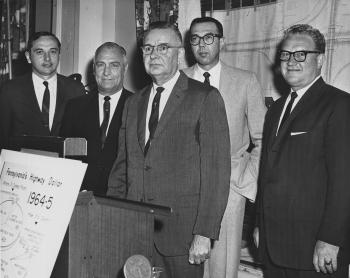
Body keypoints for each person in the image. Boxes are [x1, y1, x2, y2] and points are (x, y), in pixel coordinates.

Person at [107, 21, 231, 278]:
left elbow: (216, 175)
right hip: (135, 231)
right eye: (148, 48)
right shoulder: (133, 103)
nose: (154, 54)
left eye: (163, 47)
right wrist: (112, 219)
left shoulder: (205, 98)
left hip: (182, 235)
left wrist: (204, 233)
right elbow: (122, 167)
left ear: (181, 53)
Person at [254, 24, 350, 278]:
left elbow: (344, 182)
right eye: (285, 55)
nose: (291, 61)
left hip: (316, 251)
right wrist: (258, 224)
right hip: (275, 245)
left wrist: (331, 239)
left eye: (301, 54)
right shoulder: (275, 109)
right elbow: (267, 172)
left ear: (319, 59)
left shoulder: (339, 105)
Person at [183, 17, 266, 278]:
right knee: (184, 263)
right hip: (185, 185)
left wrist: (245, 178)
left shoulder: (245, 81)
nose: (202, 44)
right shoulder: (178, 80)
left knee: (222, 268)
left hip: (229, 188)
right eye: (195, 39)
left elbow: (263, 138)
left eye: (209, 37)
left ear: (222, 41)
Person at [60, 42, 132, 195]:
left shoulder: (138, 105)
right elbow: (70, 156)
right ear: (94, 69)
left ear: (125, 68)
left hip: (123, 198)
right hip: (82, 196)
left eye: (114, 65)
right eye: (101, 65)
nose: (106, 72)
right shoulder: (75, 107)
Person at [0, 31, 85, 150]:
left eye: (53, 51)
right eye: (40, 52)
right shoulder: (10, 90)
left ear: (59, 55)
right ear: (28, 57)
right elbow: (3, 138)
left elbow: (79, 139)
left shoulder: (75, 89)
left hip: (63, 166)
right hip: (23, 166)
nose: (47, 58)